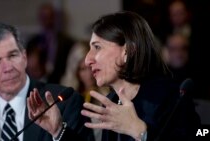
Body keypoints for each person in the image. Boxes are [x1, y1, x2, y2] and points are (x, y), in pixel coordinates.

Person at [27, 11, 200, 141]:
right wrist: (58, 129)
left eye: (97, 47)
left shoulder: (171, 97)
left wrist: (141, 132)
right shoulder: (112, 99)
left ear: (128, 51)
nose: (87, 60)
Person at [0, 22, 94, 141]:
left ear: (24, 57)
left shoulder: (65, 102)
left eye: (13, 55)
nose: (7, 68)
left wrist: (58, 132)